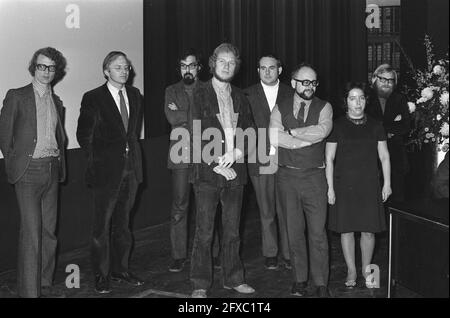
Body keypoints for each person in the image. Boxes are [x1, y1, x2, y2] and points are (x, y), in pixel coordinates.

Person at [190, 43, 256, 298]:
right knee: (204, 233)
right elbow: (194, 134)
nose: (227, 66)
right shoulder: (199, 92)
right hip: (207, 174)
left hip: (236, 173)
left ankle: (234, 279)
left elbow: (250, 133)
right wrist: (216, 164)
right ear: (213, 63)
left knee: (232, 231)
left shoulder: (241, 96)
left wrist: (237, 154)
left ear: (236, 67)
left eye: (231, 62)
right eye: (222, 61)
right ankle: (199, 284)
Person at [0, 47, 67, 298]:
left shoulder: (56, 100)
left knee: (49, 232)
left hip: (52, 169)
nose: (46, 71)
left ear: (56, 70)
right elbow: (5, 136)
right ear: (33, 67)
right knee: (31, 233)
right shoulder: (17, 96)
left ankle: (44, 285)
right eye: (42, 66)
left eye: (51, 67)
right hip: (28, 172)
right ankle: (30, 293)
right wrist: (18, 165)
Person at [76, 51, 144, 294]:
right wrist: (101, 161)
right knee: (101, 228)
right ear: (106, 71)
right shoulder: (93, 97)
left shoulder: (135, 95)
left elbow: (132, 134)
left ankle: (120, 269)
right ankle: (101, 274)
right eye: (118, 67)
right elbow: (84, 136)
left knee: (123, 226)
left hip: (131, 170)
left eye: (126, 67)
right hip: (105, 173)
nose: (124, 71)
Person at [269, 63, 333, 298]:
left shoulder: (325, 107)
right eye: (305, 82)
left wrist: (294, 134)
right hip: (287, 177)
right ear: (294, 82)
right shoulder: (280, 108)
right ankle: (299, 279)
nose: (310, 86)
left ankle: (321, 283)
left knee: (318, 234)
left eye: (314, 82)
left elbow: (323, 130)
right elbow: (275, 137)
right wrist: (306, 139)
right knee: (294, 232)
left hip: (315, 178)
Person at [325, 82, 391, 289]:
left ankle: (366, 269)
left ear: (366, 101)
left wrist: (387, 183)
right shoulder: (336, 125)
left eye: (361, 98)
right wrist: (330, 188)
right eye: (353, 98)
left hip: (369, 184)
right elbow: (329, 158)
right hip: (344, 185)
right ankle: (352, 269)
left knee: (368, 231)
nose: (357, 102)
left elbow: (385, 157)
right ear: (346, 102)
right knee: (346, 230)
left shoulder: (376, 125)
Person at [244, 54, 292, 270]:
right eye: (262, 68)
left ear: (279, 70)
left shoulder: (291, 92)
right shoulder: (247, 94)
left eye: (271, 68)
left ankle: (289, 254)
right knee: (266, 210)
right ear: (258, 70)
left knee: (287, 210)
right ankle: (270, 253)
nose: (267, 72)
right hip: (260, 158)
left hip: (286, 158)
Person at [164, 49, 204, 272]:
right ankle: (178, 255)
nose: (187, 69)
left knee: (206, 206)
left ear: (199, 67)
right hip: (179, 155)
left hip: (206, 154)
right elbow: (172, 118)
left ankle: (209, 253)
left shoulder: (208, 89)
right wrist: (192, 115)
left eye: (191, 65)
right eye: (183, 66)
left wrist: (183, 112)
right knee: (180, 206)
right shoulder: (171, 90)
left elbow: (208, 122)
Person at [366, 64, 410, 202]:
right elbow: (366, 125)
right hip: (370, 155)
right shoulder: (365, 97)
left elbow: (405, 126)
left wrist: (381, 128)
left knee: (397, 199)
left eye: (390, 80)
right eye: (382, 79)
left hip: (395, 156)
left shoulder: (400, 99)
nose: (386, 83)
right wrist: (389, 129)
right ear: (374, 79)